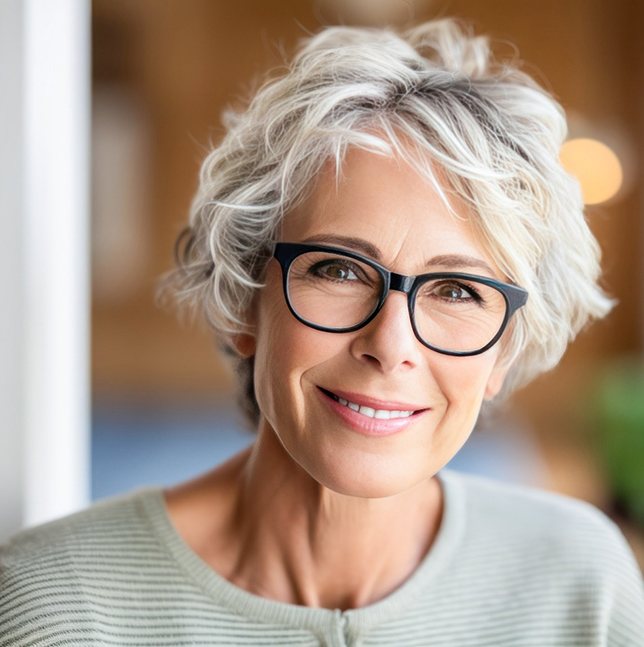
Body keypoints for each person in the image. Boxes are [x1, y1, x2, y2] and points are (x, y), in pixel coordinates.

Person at [1, 18, 643, 647]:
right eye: (337, 270)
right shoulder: (55, 607)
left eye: (456, 290)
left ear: (505, 349)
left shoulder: (578, 581)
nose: (391, 345)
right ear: (243, 300)